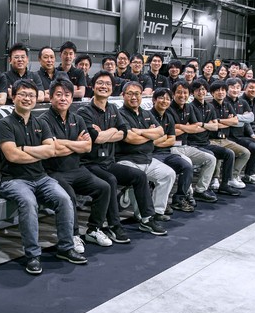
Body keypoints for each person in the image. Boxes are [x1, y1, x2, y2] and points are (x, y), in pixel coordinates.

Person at [0, 79, 87, 275]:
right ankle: (33, 255)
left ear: (36, 99)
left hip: (41, 177)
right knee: (29, 203)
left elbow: (51, 151)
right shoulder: (5, 124)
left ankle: (66, 248)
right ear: (13, 97)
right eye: (23, 94)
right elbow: (12, 156)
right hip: (14, 180)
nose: (27, 98)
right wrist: (39, 151)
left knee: (64, 199)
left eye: (31, 95)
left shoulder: (40, 123)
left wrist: (24, 149)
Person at [79, 70, 167, 238]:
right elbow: (96, 138)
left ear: (112, 88)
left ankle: (147, 219)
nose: (104, 86)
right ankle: (114, 224)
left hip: (109, 162)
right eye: (100, 83)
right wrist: (114, 130)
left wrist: (108, 132)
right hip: (90, 163)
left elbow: (124, 132)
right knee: (111, 180)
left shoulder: (113, 108)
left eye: (108, 84)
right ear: (93, 86)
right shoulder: (84, 111)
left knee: (139, 176)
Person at [40, 78, 111, 253]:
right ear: (51, 97)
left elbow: (87, 147)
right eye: (58, 94)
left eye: (67, 95)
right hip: (53, 171)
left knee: (104, 187)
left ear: (72, 98)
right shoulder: (43, 120)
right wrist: (76, 144)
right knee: (69, 195)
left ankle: (93, 230)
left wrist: (65, 144)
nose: (63, 98)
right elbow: (52, 150)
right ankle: (73, 234)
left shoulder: (77, 118)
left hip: (77, 169)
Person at [117, 81, 177, 222]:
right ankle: (143, 215)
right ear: (123, 95)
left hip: (147, 158)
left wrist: (140, 131)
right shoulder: (119, 114)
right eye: (130, 94)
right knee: (139, 177)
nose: (134, 97)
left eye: (137, 94)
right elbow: (130, 138)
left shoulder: (146, 113)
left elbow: (160, 132)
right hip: (127, 159)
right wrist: (150, 135)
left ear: (142, 96)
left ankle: (157, 211)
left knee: (168, 174)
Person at [186, 80, 240, 196]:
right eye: (197, 90)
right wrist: (207, 125)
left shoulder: (209, 106)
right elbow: (194, 127)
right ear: (192, 92)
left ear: (206, 91)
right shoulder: (190, 107)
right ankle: (201, 189)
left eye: (203, 89)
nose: (201, 92)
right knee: (211, 156)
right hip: (193, 143)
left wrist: (203, 125)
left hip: (206, 143)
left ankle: (224, 185)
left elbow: (215, 127)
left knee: (229, 153)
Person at [169, 80, 218, 203]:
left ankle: (200, 190)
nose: (182, 95)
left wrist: (180, 127)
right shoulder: (168, 108)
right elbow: (169, 132)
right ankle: (186, 194)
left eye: (185, 92)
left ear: (189, 94)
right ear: (173, 94)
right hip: (170, 146)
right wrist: (186, 127)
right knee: (187, 163)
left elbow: (195, 127)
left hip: (186, 145)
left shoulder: (189, 107)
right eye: (179, 92)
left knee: (211, 159)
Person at [150, 86, 196, 212]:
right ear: (154, 100)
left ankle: (179, 199)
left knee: (187, 166)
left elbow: (171, 139)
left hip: (167, 152)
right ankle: (159, 203)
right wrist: (163, 139)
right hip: (152, 154)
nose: (164, 101)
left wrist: (160, 140)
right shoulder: (148, 116)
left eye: (167, 99)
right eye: (161, 98)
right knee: (166, 171)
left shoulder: (168, 117)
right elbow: (150, 143)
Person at [225, 78, 255, 185]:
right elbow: (228, 121)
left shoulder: (243, 102)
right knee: (245, 150)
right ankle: (233, 176)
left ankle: (249, 174)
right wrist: (240, 119)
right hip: (228, 136)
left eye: (238, 87)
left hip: (240, 135)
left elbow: (251, 118)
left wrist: (236, 118)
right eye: (232, 87)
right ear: (227, 88)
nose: (235, 90)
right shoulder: (224, 102)